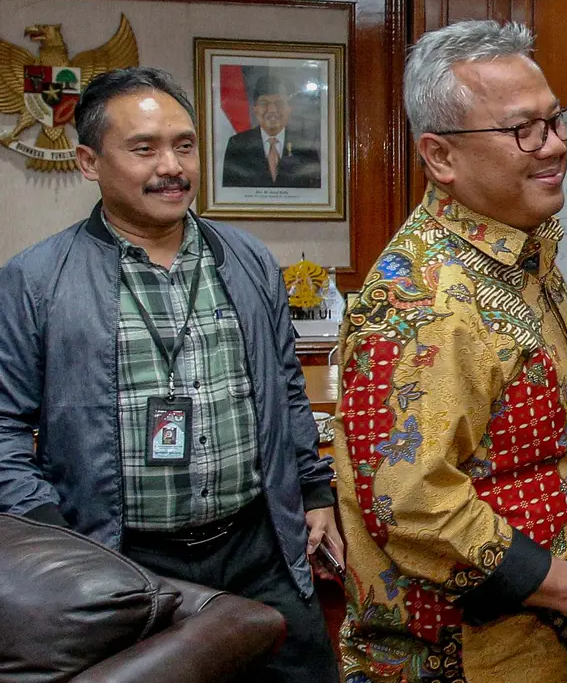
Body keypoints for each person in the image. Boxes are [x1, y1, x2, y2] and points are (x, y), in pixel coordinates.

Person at [0, 67, 341, 683]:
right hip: (122, 564)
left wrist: (314, 491)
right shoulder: (35, 280)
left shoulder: (247, 259)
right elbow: (3, 431)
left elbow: (285, 385)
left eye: (184, 145)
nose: (172, 166)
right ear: (88, 162)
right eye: (144, 149)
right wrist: (60, 546)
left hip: (260, 550)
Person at [332, 20, 567, 683]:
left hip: (554, 645)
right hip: (466, 658)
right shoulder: (421, 298)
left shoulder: (520, 253)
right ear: (440, 157)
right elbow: (407, 502)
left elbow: (548, 405)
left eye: (556, 121)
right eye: (523, 130)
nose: (554, 146)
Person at [222, 72, 322, 188]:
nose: (272, 110)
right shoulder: (237, 144)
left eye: (279, 103)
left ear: (289, 108)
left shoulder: (305, 146)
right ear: (255, 108)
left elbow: (315, 193)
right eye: (264, 103)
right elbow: (229, 192)